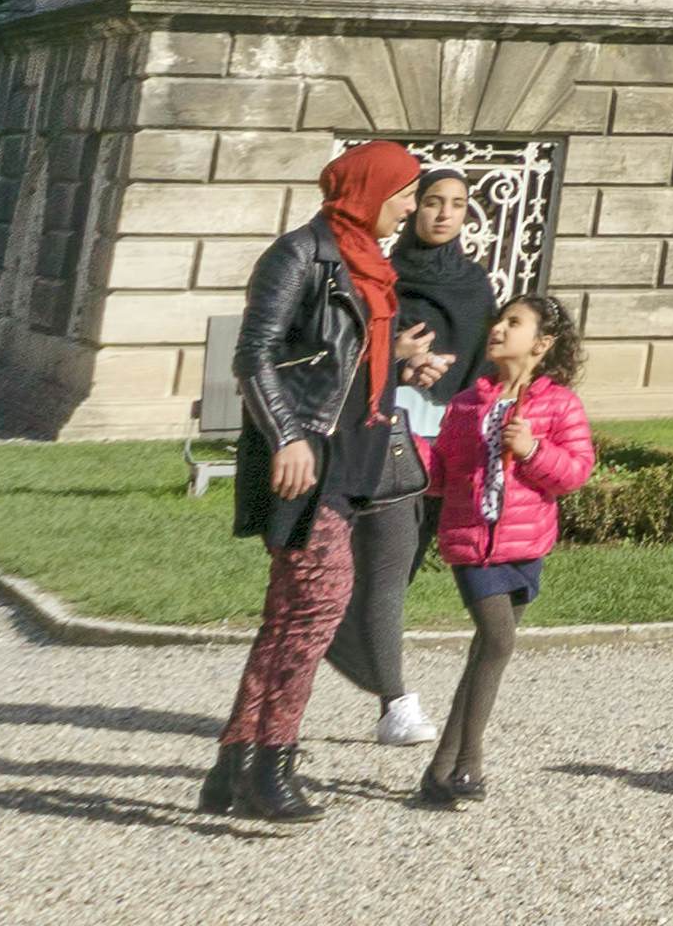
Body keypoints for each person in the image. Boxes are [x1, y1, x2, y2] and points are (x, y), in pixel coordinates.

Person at [206, 137, 428, 824]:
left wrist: (400, 365)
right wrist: (288, 435)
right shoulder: (301, 253)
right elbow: (255, 356)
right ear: (371, 191)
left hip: (355, 456)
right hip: (310, 461)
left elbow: (342, 357)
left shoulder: (368, 262)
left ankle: (237, 767)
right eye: (406, 193)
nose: (412, 207)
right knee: (315, 608)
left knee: (289, 616)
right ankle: (271, 762)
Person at [339, 169, 507, 752]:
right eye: (433, 202)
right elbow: (355, 345)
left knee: (401, 570)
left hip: (452, 436)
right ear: (412, 210)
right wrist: (403, 366)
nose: (443, 214)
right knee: (387, 565)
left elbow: (485, 362)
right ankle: (395, 702)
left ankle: (334, 639)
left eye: (457, 205)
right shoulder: (384, 275)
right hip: (393, 429)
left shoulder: (475, 285)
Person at [410, 292, 596, 810]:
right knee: (497, 640)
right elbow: (443, 473)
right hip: (472, 545)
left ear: (542, 344)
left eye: (513, 323)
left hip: (524, 544)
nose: (498, 328)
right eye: (499, 320)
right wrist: (408, 446)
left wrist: (532, 450)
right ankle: (469, 763)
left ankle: (438, 771)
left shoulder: (560, 405)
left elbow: (576, 471)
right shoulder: (468, 402)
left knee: (483, 656)